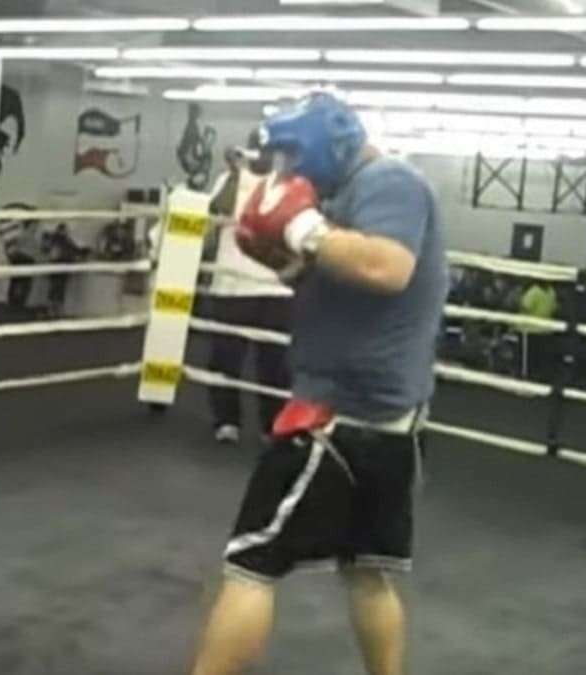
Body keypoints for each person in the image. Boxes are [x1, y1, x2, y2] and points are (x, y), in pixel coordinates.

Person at [191, 92, 448, 675]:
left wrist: (302, 226)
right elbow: (342, 283)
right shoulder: (348, 194)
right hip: (388, 422)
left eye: (291, 157)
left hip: (341, 419)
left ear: (326, 144)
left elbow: (387, 268)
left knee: (251, 562)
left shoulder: (389, 182)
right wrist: (282, 257)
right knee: (366, 571)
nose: (289, 172)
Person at [203, 134, 292, 445]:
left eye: (269, 150)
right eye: (258, 149)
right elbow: (215, 213)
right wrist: (237, 172)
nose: (262, 156)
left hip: (275, 288)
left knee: (276, 365)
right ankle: (227, 421)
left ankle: (273, 426)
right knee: (226, 360)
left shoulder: (287, 185)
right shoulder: (229, 180)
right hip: (232, 285)